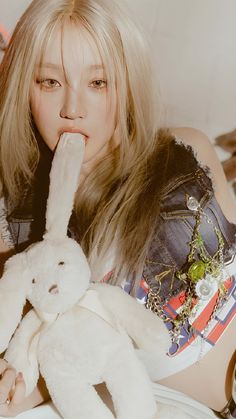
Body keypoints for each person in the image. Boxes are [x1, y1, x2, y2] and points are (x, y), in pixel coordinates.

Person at [0, 0, 235, 417]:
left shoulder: (185, 154)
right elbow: (40, 359)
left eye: (98, 82)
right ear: (24, 87)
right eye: (49, 81)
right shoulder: (18, 224)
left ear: (126, 84)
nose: (73, 107)